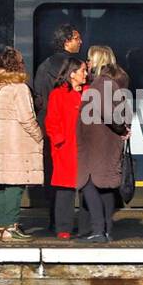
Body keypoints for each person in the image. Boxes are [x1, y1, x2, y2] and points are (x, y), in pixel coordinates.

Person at [0, 47, 40, 242]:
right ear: (16, 65)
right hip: (16, 140)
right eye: (21, 61)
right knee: (16, 184)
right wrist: (39, 135)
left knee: (2, 185)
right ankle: (12, 227)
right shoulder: (19, 87)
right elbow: (27, 118)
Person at [77, 46, 132, 243]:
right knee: (106, 187)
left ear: (98, 61)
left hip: (96, 142)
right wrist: (124, 128)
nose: (88, 63)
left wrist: (120, 128)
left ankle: (98, 230)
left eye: (90, 60)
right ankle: (107, 229)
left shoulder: (101, 84)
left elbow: (108, 113)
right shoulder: (115, 83)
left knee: (87, 184)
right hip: (107, 142)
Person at [44, 55, 88, 239]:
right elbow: (51, 121)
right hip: (66, 147)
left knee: (87, 188)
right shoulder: (58, 94)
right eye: (83, 70)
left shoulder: (89, 91)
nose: (86, 73)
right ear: (72, 74)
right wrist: (59, 140)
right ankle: (63, 228)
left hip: (86, 146)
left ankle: (87, 227)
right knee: (65, 189)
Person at [32, 23, 83, 117]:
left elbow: (38, 96)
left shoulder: (44, 65)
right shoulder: (74, 67)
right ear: (66, 42)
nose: (80, 42)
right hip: (66, 118)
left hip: (47, 117)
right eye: (77, 38)